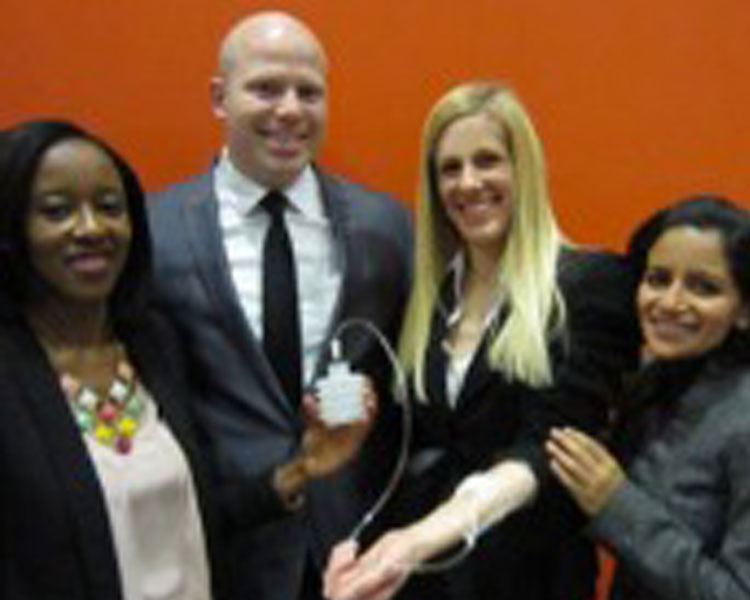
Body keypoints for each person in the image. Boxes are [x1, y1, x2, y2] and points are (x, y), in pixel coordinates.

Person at [323, 81, 641, 600]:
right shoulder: (425, 301)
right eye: (450, 168)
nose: (468, 183)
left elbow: (550, 450)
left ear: (525, 170)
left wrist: (425, 537)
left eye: (488, 161)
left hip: (529, 581)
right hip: (423, 581)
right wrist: (365, 540)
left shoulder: (588, 286)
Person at [147, 11, 412, 600]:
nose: (290, 109)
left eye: (309, 92)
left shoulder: (388, 227)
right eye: (266, 88)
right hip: (219, 547)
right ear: (219, 98)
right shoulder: (152, 231)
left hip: (354, 548)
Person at [0, 119, 226, 600]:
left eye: (109, 207)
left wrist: (298, 471)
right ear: (11, 230)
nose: (91, 228)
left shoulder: (155, 343)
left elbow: (188, 510)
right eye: (57, 211)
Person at [547, 195, 750, 600]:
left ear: (744, 310)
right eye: (658, 279)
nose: (670, 303)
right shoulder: (649, 384)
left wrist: (617, 505)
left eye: (704, 287)